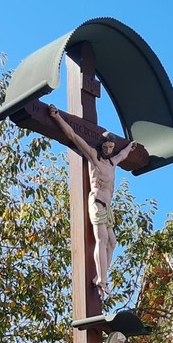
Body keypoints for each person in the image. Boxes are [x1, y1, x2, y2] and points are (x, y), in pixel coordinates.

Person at [48, 104, 138, 298]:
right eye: (106, 147)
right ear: (101, 146)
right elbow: (73, 136)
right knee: (102, 239)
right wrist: (57, 117)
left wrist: (130, 147)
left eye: (111, 147)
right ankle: (102, 280)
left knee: (112, 242)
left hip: (108, 206)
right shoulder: (93, 157)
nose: (108, 150)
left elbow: (123, 154)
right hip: (96, 201)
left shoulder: (112, 162)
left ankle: (101, 275)